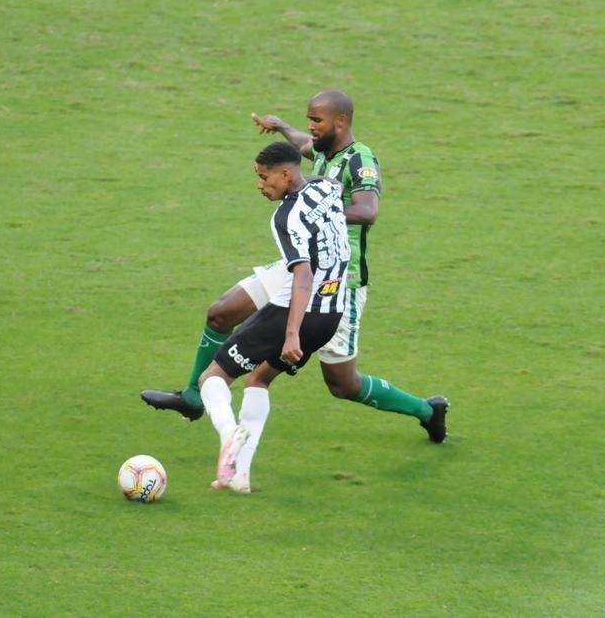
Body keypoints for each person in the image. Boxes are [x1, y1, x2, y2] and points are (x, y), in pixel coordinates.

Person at [142, 90, 448, 442]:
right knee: (222, 312)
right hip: (299, 264)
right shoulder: (321, 150)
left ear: (341, 121)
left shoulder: (359, 159)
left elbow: (368, 211)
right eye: (308, 120)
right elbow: (304, 146)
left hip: (337, 279)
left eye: (317, 121)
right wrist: (281, 127)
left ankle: (427, 410)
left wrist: (316, 211)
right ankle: (195, 397)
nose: (311, 128)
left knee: (342, 384)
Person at [201, 141, 350, 492]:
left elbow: (302, 275)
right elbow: (337, 185)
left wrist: (292, 333)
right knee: (259, 380)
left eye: (265, 177)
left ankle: (228, 434)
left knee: (213, 377)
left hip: (295, 314)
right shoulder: (327, 187)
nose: (260, 185)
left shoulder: (285, 217)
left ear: (285, 175)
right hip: (331, 315)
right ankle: (239, 476)